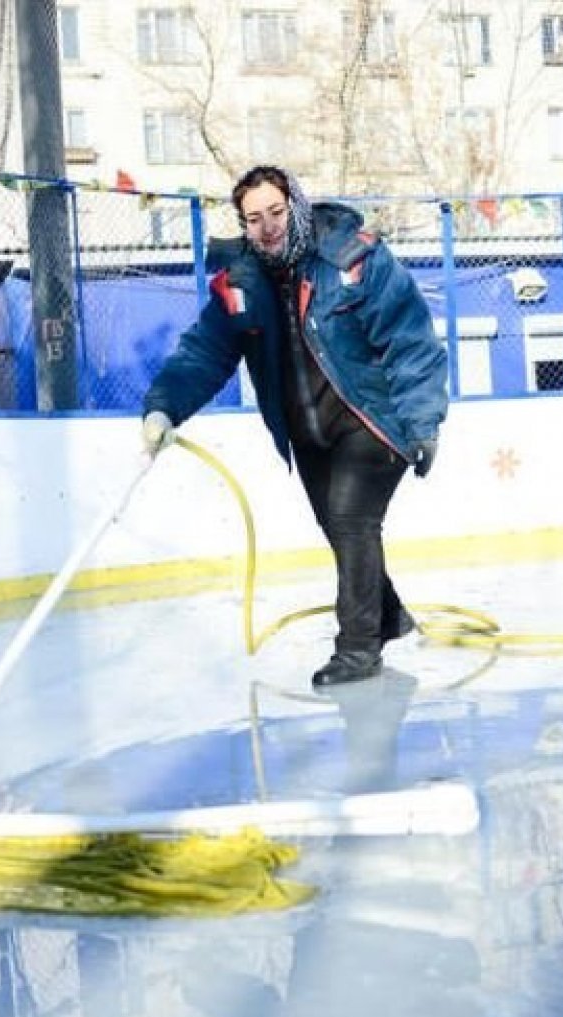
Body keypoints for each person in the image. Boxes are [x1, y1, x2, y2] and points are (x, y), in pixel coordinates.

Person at [141, 165, 448, 688]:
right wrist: (164, 406)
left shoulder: (353, 259)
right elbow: (205, 353)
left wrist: (422, 421)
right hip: (309, 437)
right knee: (340, 530)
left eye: (277, 213)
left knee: (352, 521)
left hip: (371, 423)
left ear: (297, 207)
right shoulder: (239, 285)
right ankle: (388, 615)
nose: (267, 227)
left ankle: (356, 650)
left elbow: (410, 338)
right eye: (253, 218)